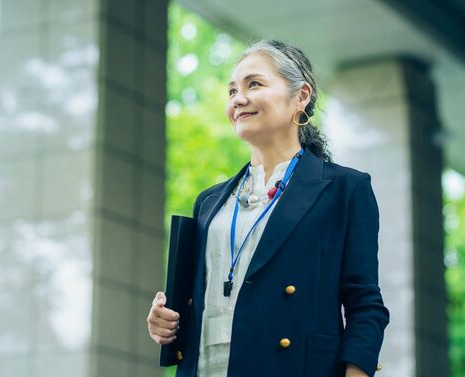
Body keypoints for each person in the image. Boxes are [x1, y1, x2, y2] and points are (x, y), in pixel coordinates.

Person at [147, 39, 389, 377]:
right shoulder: (210, 202)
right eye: (232, 91)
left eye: (254, 84)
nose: (238, 99)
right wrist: (165, 321)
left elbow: (366, 306)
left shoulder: (345, 189)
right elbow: (200, 303)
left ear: (301, 96)